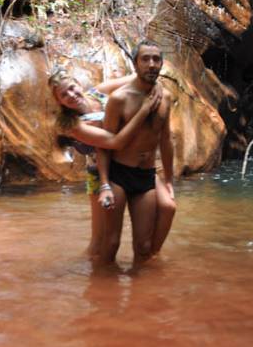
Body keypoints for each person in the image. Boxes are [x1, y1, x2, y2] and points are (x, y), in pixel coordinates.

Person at [49, 68, 176, 259]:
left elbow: (138, 77)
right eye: (64, 95)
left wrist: (155, 86)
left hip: (132, 163)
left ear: (79, 84)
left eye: (72, 88)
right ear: (59, 101)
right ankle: (87, 275)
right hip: (101, 174)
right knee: (100, 240)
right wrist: (143, 110)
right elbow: (115, 142)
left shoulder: (99, 92)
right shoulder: (73, 123)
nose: (71, 95)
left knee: (167, 206)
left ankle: (152, 256)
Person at [96, 40, 174, 265]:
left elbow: (166, 140)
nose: (151, 64)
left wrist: (168, 179)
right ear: (135, 64)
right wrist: (104, 184)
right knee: (111, 244)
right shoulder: (119, 99)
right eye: (145, 59)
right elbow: (104, 144)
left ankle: (142, 298)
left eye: (156, 59)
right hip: (119, 175)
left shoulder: (165, 98)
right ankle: (102, 294)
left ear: (162, 64)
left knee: (143, 247)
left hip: (145, 176)